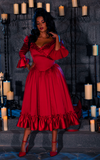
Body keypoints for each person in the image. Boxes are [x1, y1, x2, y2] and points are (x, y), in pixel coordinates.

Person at [16, 8, 79, 157]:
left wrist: (57, 38)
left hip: (52, 76)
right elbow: (21, 52)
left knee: (53, 108)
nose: (40, 25)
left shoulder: (54, 39)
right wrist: (28, 65)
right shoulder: (30, 39)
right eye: (38, 23)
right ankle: (24, 143)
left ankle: (54, 143)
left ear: (47, 22)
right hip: (36, 77)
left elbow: (57, 54)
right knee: (32, 109)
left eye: (43, 22)